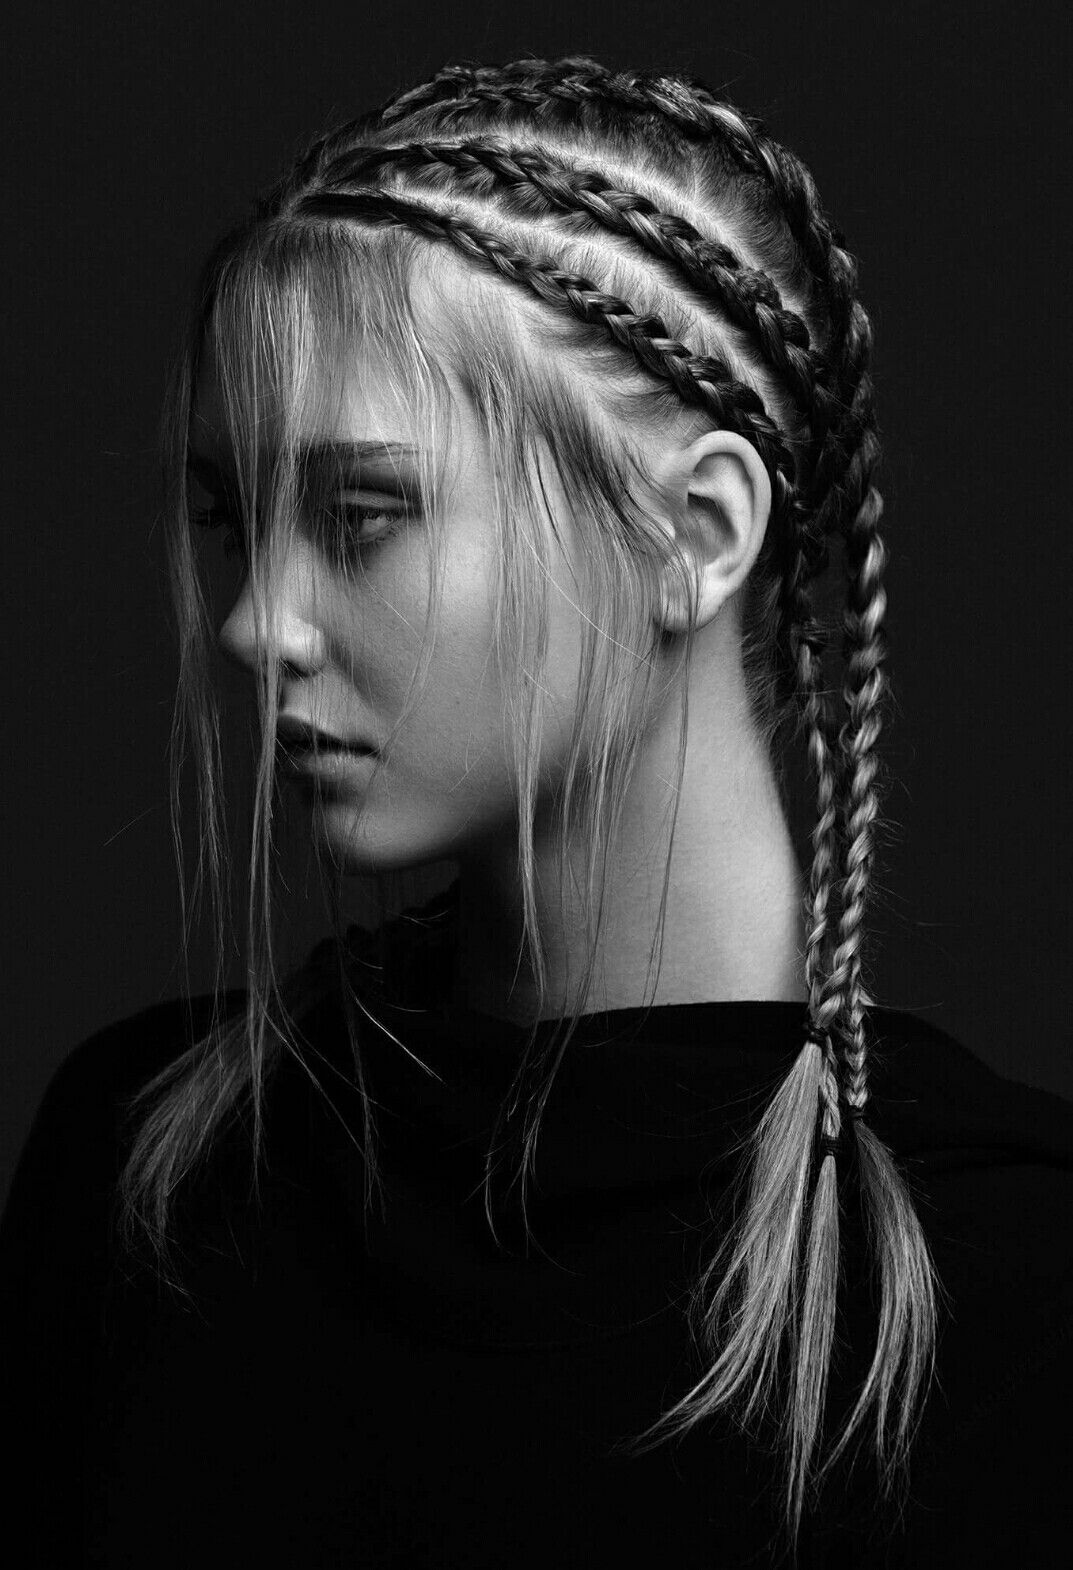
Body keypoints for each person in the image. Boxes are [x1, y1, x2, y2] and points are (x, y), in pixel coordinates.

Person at [2, 52, 1071, 1569]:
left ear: (692, 534)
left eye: (361, 514)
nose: (252, 623)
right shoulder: (151, 1173)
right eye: (230, 519)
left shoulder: (1012, 1280)